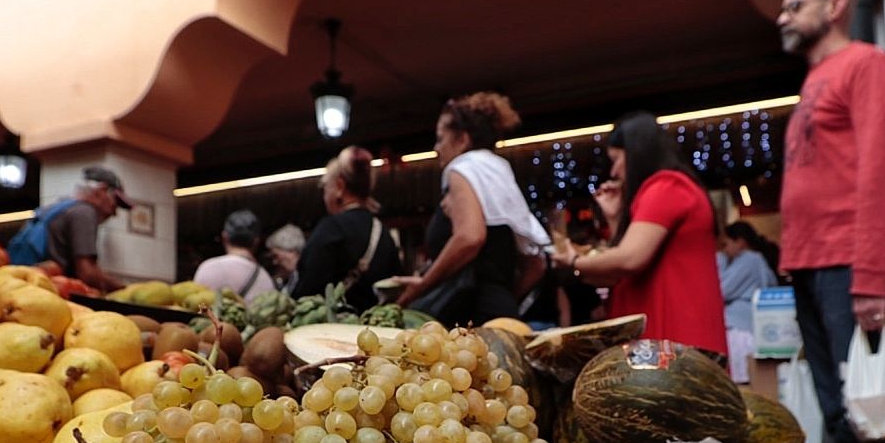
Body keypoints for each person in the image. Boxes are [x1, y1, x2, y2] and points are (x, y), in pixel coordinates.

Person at [776, 0, 885, 443]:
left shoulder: (865, 64)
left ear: (834, 8)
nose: (782, 17)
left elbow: (884, 172)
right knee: (840, 412)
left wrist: (871, 278)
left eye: (795, 6)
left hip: (847, 264)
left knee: (868, 415)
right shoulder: (816, 78)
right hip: (810, 266)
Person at [551, 112, 725, 354]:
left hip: (672, 339)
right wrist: (615, 219)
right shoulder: (669, 187)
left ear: (636, 155)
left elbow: (630, 258)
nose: (614, 171)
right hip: (669, 342)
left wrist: (574, 261)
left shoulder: (666, 186)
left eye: (617, 159)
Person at [395, 93, 550, 325]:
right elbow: (536, 265)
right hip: (504, 316)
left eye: (440, 139)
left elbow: (470, 237)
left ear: (462, 140)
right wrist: (504, 300)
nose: (437, 148)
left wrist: (423, 286)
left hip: (467, 318)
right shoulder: (500, 172)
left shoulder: (462, 168)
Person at [293, 146, 402, 312]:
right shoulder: (384, 233)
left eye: (325, 187)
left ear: (339, 186)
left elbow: (306, 291)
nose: (324, 195)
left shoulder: (331, 228)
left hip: (332, 332)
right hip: (375, 329)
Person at [5, 165, 130, 291]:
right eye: (115, 203)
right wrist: (124, 290)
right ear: (102, 190)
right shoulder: (85, 212)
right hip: (48, 291)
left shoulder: (56, 208)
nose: (114, 213)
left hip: (21, 285)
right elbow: (87, 273)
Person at [719, 222, 777, 383]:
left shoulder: (750, 260)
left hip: (741, 328)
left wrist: (721, 261)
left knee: (741, 381)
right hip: (748, 326)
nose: (725, 250)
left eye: (726, 244)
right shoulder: (756, 260)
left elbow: (722, 289)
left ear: (740, 242)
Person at [192, 210, 276, 305]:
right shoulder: (265, 279)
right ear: (256, 241)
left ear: (224, 236)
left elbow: (195, 306)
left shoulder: (207, 268)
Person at [265, 224, 305, 296]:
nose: (275, 262)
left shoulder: (307, 278)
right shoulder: (289, 279)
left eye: (276, 256)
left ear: (292, 252)